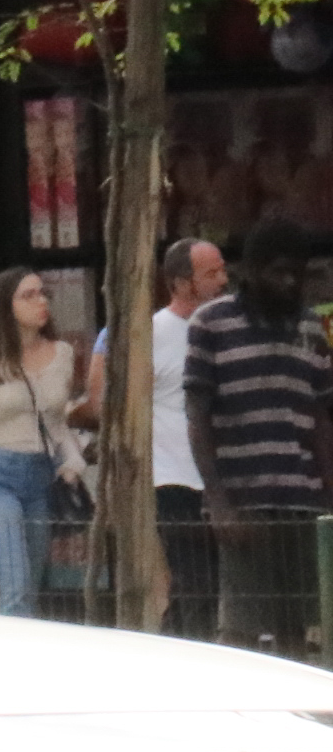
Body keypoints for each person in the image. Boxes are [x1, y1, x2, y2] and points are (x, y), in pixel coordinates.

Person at [184, 219, 333, 653]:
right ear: (250, 270)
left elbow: (321, 417)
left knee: (298, 631)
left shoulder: (309, 328)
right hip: (243, 504)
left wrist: (329, 496)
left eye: (296, 274)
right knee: (240, 631)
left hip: (301, 504)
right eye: (277, 272)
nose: (288, 283)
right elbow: (198, 415)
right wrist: (218, 502)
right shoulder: (210, 324)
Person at [104, 236, 231, 637]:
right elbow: (125, 403)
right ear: (179, 283)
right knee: (196, 582)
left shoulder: (227, 326)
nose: (223, 280)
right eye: (211, 273)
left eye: (223, 269)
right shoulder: (153, 334)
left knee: (212, 584)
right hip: (174, 478)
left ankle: (172, 645)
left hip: (223, 476)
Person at [0, 266, 87, 619]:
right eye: (28, 295)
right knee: (15, 584)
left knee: (33, 583)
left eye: (43, 293)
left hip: (40, 474)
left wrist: (73, 460)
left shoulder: (62, 354)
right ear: (4, 306)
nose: (41, 302)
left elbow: (56, 422)